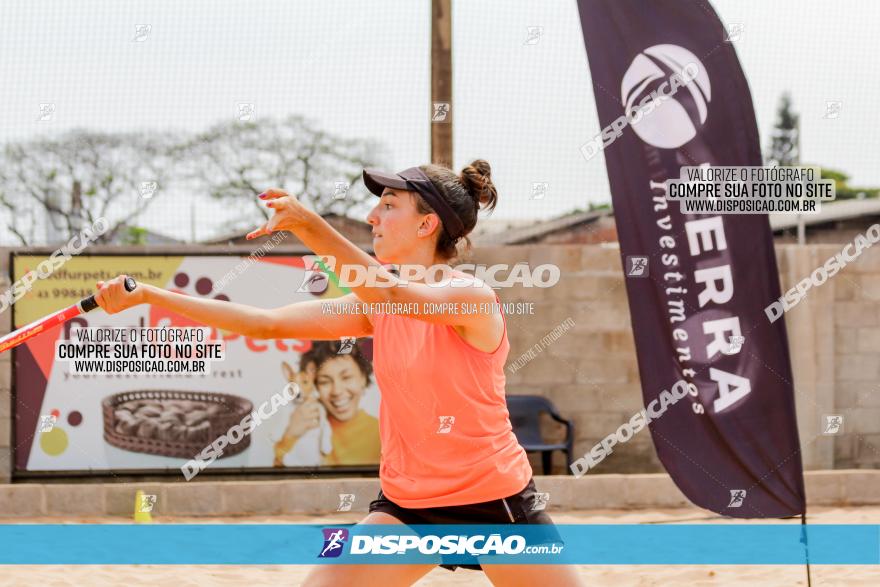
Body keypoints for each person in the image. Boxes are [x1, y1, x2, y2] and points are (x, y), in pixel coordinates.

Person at [94, 159, 584, 586]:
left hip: (492, 502)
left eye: (389, 205)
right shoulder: (376, 306)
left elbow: (394, 295)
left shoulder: (469, 297)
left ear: (426, 225)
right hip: (407, 507)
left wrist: (308, 224)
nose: (373, 215)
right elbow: (263, 324)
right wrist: (150, 296)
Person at [273, 340, 380, 466]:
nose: (337, 391)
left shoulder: (380, 433)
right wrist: (290, 435)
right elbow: (281, 479)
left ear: (363, 377)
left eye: (346, 377)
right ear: (314, 384)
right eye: (325, 381)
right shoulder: (299, 420)